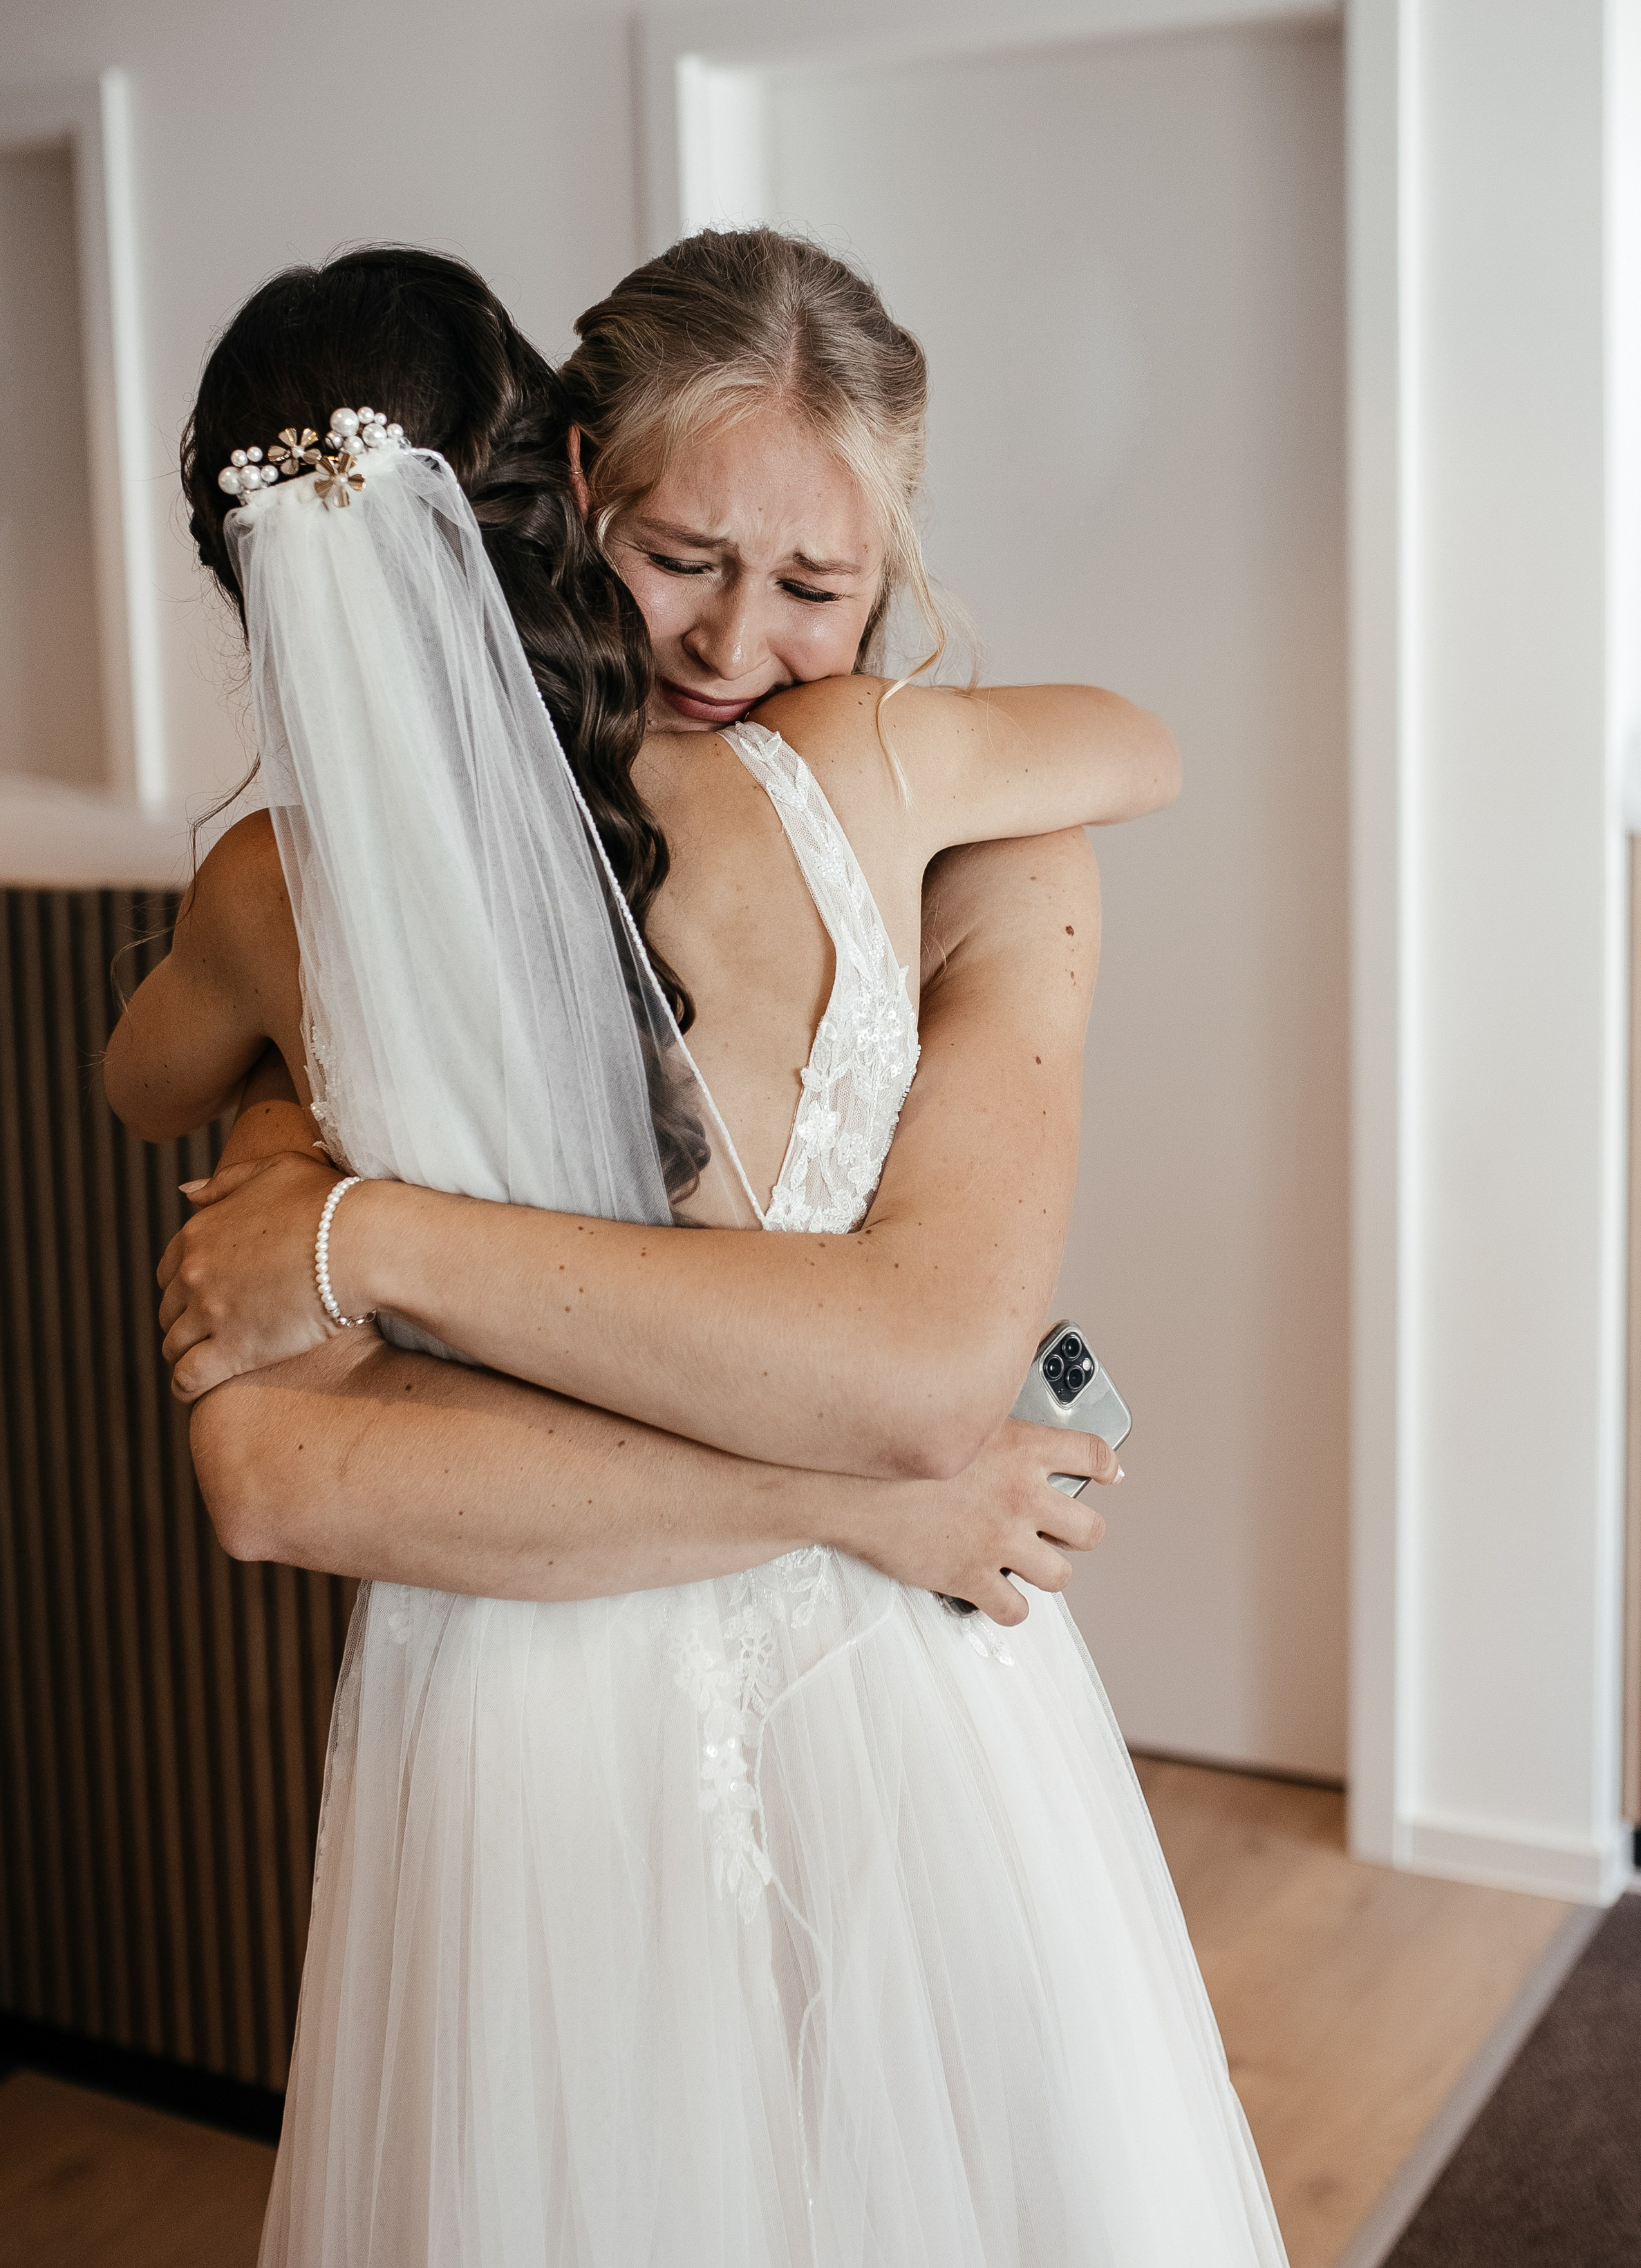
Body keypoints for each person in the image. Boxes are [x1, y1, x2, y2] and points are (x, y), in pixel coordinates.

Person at [109, 239, 1286, 2263]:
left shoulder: (283, 898)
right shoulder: (869, 782)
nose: (742, 633)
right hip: (730, 1657)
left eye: (818, 589)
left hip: (550, 1678)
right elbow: (267, 1470)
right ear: (566, 489)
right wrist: (879, 1499)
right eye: (682, 559)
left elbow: (142, 1084)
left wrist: (348, 1211)